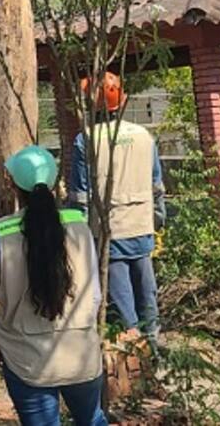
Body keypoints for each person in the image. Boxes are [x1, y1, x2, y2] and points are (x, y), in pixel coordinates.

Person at [0, 145, 107, 426]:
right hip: (82, 354)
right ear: (54, 182)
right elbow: (95, 296)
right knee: (93, 420)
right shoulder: (79, 225)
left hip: (26, 360)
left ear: (12, 184)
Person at [69, 72, 165, 345]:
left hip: (109, 235)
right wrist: (157, 220)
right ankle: (154, 357)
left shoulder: (85, 140)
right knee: (148, 298)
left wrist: (80, 242)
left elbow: (79, 198)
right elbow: (157, 186)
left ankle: (132, 369)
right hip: (141, 228)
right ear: (122, 102)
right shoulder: (144, 136)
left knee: (123, 311)